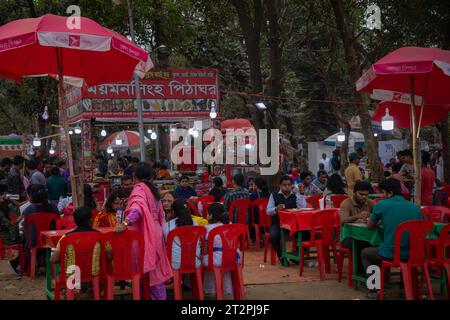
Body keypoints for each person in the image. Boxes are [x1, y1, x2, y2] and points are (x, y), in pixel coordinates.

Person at [115, 162, 172, 300]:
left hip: (144, 233)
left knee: (144, 271)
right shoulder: (152, 189)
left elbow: (137, 210)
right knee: (155, 272)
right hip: (156, 231)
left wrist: (125, 223)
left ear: (134, 177)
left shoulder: (139, 189)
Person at [361, 178, 423, 299]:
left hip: (391, 253)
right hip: (413, 254)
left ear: (390, 193)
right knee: (403, 257)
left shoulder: (381, 205)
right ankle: (403, 288)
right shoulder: (415, 207)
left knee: (366, 253)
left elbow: (369, 227)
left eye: (383, 193)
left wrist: (375, 222)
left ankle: (374, 289)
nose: (382, 196)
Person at [50, 206, 113, 278]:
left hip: (73, 276)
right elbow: (109, 256)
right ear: (91, 220)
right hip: (95, 275)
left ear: (75, 221)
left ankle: (76, 287)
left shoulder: (65, 237)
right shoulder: (101, 236)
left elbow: (53, 259)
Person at [266, 176, 307, 265]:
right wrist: (276, 208)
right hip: (278, 223)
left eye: (289, 184)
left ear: (292, 185)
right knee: (273, 236)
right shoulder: (274, 195)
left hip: (293, 224)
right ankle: (280, 254)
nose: (287, 186)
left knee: (307, 234)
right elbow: (268, 211)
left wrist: (301, 194)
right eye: (284, 185)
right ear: (280, 185)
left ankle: (297, 255)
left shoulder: (295, 195)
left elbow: (302, 208)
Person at [202, 203, 240, 296]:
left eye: (207, 213)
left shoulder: (207, 228)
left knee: (200, 260)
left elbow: (206, 250)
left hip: (216, 259)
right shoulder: (230, 226)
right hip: (233, 258)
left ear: (210, 215)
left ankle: (210, 289)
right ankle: (227, 289)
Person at [21, 184, 59, 274]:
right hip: (51, 240)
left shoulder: (28, 210)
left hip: (34, 241)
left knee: (23, 237)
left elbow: (27, 230)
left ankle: (33, 265)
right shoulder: (53, 207)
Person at [339, 180, 374, 273]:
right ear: (354, 192)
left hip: (367, 235)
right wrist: (357, 216)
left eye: (366, 195)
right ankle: (360, 274)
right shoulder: (346, 203)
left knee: (376, 243)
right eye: (361, 194)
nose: (364, 197)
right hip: (348, 237)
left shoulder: (371, 203)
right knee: (360, 244)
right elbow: (343, 220)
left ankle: (377, 275)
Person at [163, 198, 201, 270]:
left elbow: (165, 242)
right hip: (195, 262)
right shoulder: (196, 224)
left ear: (173, 211)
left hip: (175, 264)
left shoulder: (167, 226)